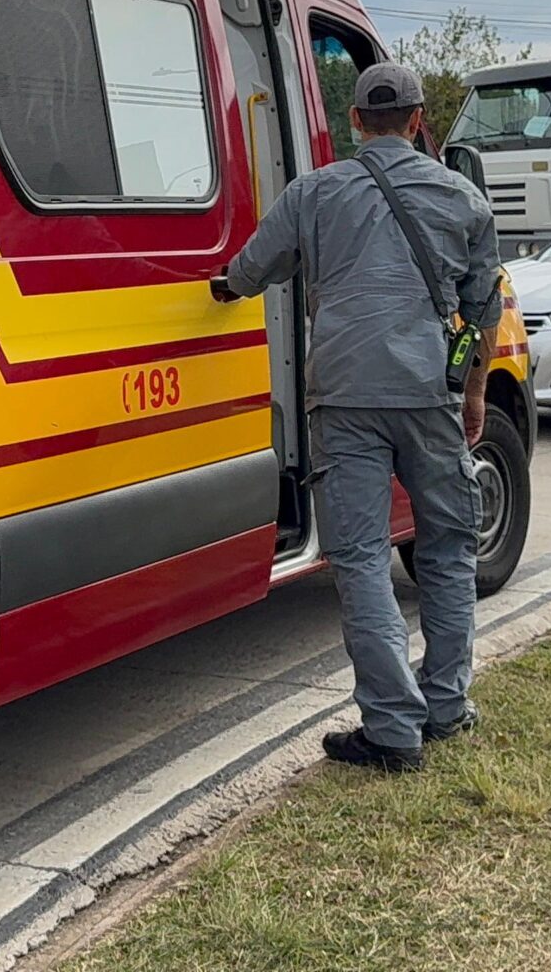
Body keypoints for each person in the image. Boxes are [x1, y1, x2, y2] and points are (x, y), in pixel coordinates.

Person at [212, 62, 500, 773]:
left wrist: (220, 288)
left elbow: (248, 271)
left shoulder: (314, 191)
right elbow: (484, 306)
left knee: (363, 557)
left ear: (353, 122)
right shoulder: (462, 197)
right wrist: (474, 392)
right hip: (431, 392)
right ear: (417, 118)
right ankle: (447, 705)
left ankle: (393, 729)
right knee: (448, 547)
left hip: (343, 396)